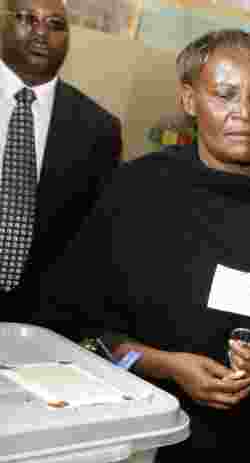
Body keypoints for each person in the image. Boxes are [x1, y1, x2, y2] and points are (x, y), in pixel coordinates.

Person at [34, 29, 250, 463]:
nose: (246, 114)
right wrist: (165, 365)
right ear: (189, 99)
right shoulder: (136, 190)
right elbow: (76, 328)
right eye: (226, 95)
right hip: (133, 453)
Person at [0, 0, 121, 321]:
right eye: (28, 19)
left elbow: (94, 239)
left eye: (55, 25)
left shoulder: (98, 130)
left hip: (39, 322)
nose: (41, 34)